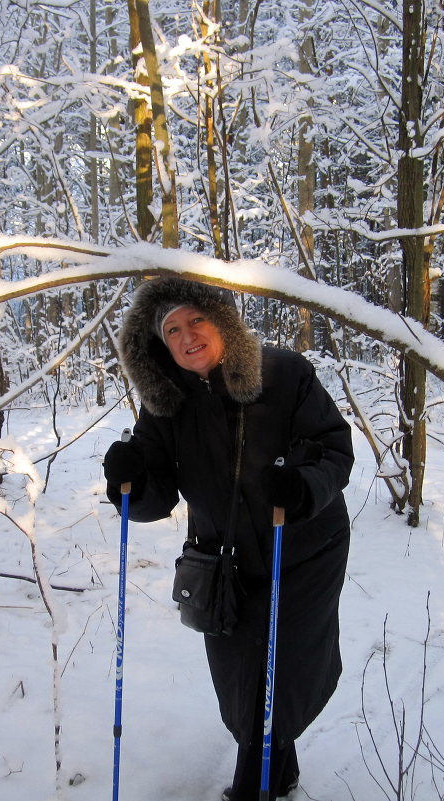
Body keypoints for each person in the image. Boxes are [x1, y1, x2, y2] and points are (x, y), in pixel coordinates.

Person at [102, 276, 354, 801]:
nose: (188, 336)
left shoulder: (283, 373)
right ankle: (278, 769)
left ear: (221, 318)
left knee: (280, 671)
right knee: (243, 677)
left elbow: (333, 448)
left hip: (302, 547)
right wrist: (129, 478)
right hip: (223, 561)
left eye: (196, 319)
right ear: (158, 344)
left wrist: (303, 486)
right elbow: (153, 499)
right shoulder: (165, 406)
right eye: (172, 329)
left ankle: (254, 786)